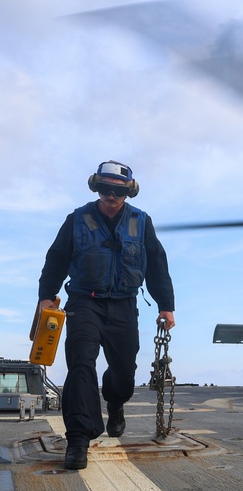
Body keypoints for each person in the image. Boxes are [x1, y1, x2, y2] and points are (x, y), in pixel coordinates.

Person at [37, 161, 175, 470]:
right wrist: (46, 297)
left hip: (124, 305)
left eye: (118, 190)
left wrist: (166, 305)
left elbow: (156, 266)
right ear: (95, 187)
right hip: (84, 301)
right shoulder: (77, 219)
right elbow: (56, 260)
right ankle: (78, 440)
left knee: (124, 372)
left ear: (129, 192)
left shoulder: (141, 222)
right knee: (81, 363)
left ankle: (115, 403)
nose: (111, 196)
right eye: (105, 189)